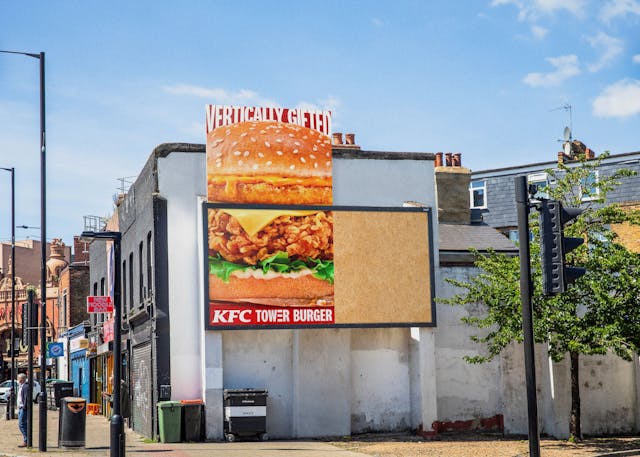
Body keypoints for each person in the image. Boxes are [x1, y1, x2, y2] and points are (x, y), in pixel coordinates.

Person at [16, 373, 28, 448]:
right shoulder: (21, 386)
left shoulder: (25, 386)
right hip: (20, 408)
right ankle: (27, 439)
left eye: (18, 378)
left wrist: (24, 407)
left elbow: (26, 397)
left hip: (23, 408)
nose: (17, 380)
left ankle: (27, 440)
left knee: (21, 424)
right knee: (23, 424)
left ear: (21, 379)